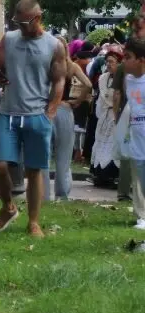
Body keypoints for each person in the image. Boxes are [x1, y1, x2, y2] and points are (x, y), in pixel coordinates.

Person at [0, 0, 66, 237]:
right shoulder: (10, 39)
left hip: (37, 115)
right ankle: (8, 207)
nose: (20, 27)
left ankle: (33, 222)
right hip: (8, 112)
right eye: (16, 22)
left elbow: (59, 80)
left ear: (38, 17)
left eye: (24, 23)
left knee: (34, 171)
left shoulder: (54, 45)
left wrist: (50, 112)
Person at [42, 37, 92, 201]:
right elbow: (88, 85)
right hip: (64, 108)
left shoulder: (45, 65)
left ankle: (44, 195)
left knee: (44, 156)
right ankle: (62, 194)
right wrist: (77, 101)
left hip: (46, 109)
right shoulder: (71, 66)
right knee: (64, 155)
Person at [116, 37, 145, 230]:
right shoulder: (128, 80)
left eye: (128, 57)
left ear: (141, 60)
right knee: (138, 175)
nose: (124, 61)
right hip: (136, 132)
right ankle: (141, 214)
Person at [90, 46, 122, 188]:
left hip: (118, 116)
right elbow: (101, 99)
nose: (109, 64)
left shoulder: (125, 79)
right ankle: (100, 175)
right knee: (101, 143)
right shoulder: (103, 78)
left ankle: (113, 176)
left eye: (112, 61)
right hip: (104, 116)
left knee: (114, 145)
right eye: (107, 61)